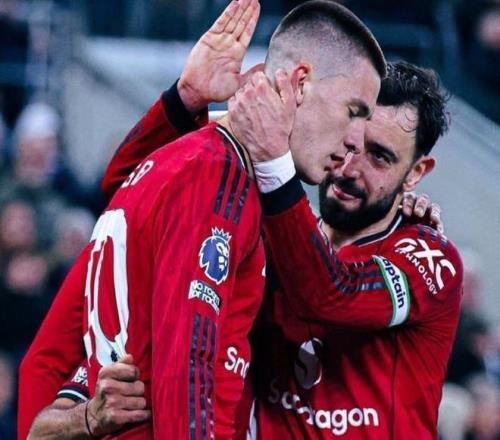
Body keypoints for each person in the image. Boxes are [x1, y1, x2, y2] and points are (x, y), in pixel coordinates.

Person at [19, 1, 388, 439]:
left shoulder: (182, 160)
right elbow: (187, 364)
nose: (354, 143)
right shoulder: (217, 175)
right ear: (301, 83)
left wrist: (185, 100)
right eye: (354, 111)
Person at [228, 62, 463, 438]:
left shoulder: (430, 258)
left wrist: (275, 163)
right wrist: (183, 101)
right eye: (348, 141)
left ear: (415, 173)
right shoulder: (271, 236)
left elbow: (330, 292)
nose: (350, 168)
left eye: (379, 156)